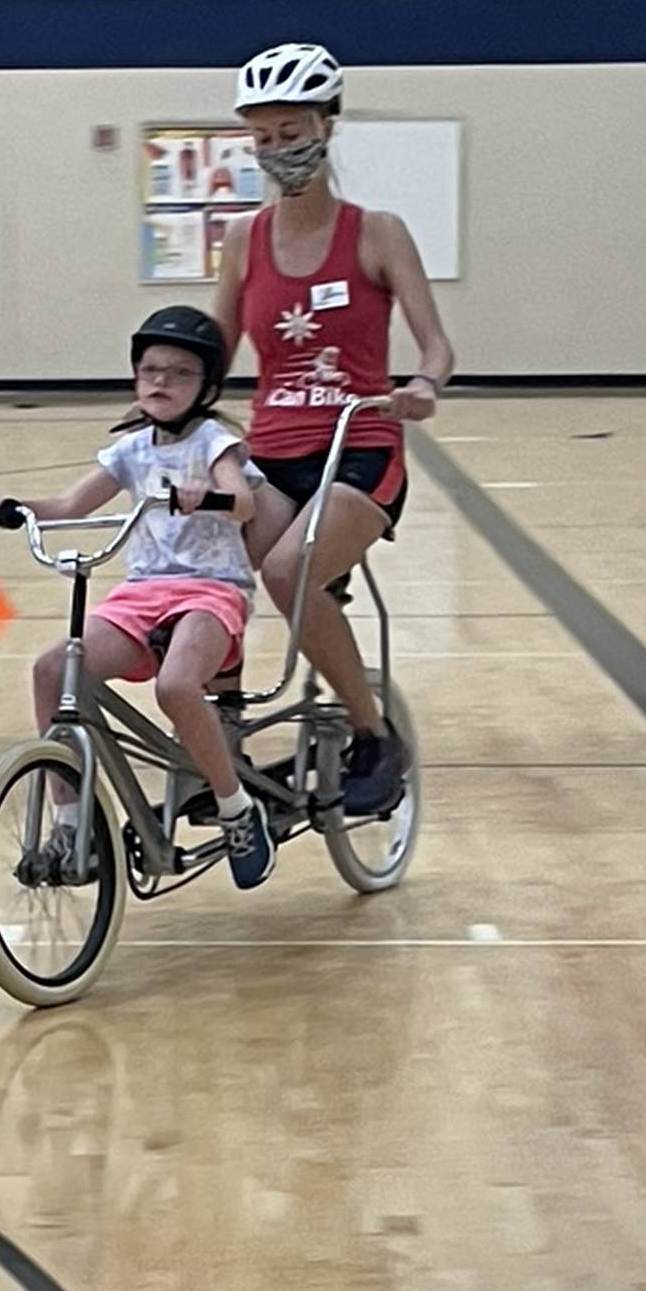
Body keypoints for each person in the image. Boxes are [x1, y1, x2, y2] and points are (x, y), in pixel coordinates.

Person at [215, 41, 456, 814]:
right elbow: (213, 347)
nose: (277, 149)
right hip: (273, 453)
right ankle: (221, 735)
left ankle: (373, 732)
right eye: (263, 137)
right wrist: (162, 399)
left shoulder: (377, 233)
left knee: (289, 571)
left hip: (360, 450)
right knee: (204, 553)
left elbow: (437, 344)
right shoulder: (241, 240)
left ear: (327, 125)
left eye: (292, 132)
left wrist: (422, 382)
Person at [0, 306, 277, 890]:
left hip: (211, 590)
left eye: (179, 373)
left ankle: (238, 809)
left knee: (177, 687)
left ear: (207, 387)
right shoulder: (133, 449)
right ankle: (70, 822)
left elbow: (242, 502)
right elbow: (69, 507)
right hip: (141, 594)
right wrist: (14, 509)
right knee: (53, 669)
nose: (160, 382)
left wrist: (205, 494)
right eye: (150, 371)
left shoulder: (216, 441)